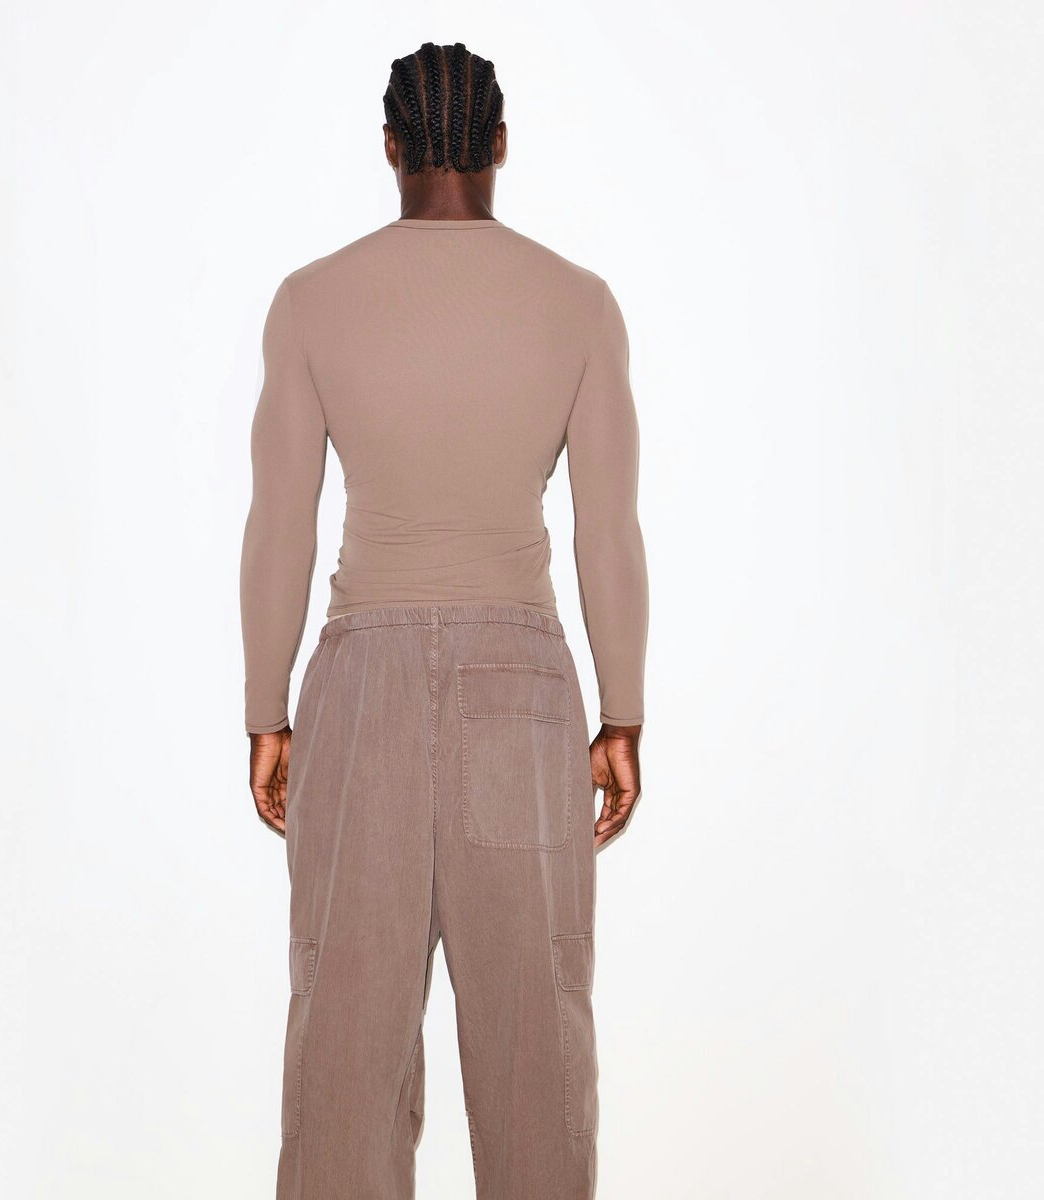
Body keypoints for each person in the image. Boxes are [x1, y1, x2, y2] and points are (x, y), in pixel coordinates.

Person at [240, 41, 648, 1200]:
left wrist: (267, 712)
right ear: (499, 143)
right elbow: (607, 531)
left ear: (390, 147)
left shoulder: (311, 302)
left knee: (345, 1045)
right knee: (535, 1048)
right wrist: (622, 713)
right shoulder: (578, 304)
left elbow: (281, 524)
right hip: (521, 695)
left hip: (359, 688)